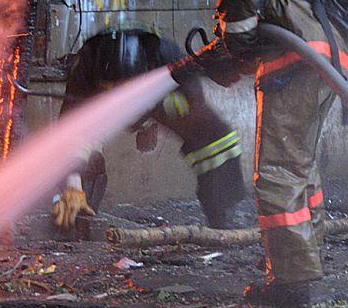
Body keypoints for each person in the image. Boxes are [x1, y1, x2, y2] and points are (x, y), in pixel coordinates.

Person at [171, 0, 348, 308]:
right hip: (330, 57)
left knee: (276, 172)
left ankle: (292, 284)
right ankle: (306, 262)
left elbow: (238, 7)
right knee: (301, 168)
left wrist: (227, 56)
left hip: (296, 62)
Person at [51, 28, 247, 233]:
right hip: (101, 111)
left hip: (158, 101)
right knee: (77, 155)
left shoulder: (169, 61)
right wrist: (73, 184)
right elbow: (70, 133)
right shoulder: (86, 68)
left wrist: (152, 123)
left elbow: (196, 110)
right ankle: (78, 212)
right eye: (115, 87)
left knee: (216, 140)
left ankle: (221, 217)